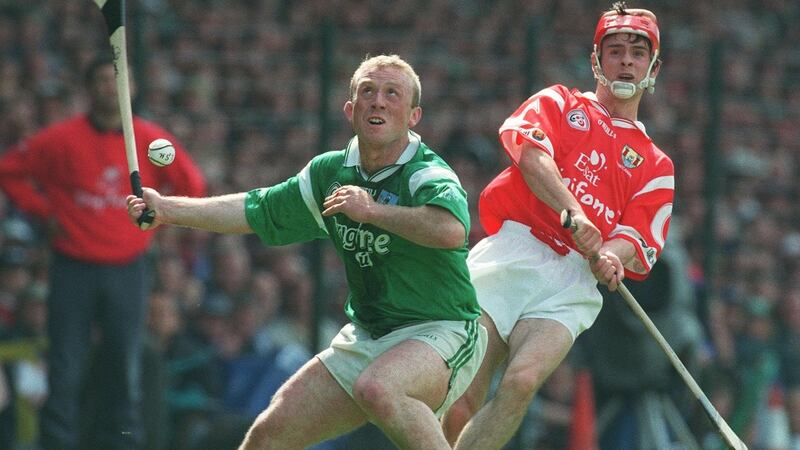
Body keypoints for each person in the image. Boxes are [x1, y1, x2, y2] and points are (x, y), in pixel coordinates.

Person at [126, 54, 487, 450]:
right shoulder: (328, 173)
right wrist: (166, 209)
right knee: (267, 436)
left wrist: (372, 212)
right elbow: (256, 209)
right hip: (369, 334)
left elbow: (451, 230)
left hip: (441, 329)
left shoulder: (427, 172)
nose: (378, 101)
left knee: (379, 387)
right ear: (351, 109)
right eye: (367, 91)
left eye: (391, 94)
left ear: (413, 115)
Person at [442, 3, 675, 449]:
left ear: (654, 67)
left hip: (572, 281)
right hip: (514, 251)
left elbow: (638, 236)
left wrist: (611, 256)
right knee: (462, 394)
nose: (626, 60)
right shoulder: (558, 101)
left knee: (522, 382)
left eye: (638, 52)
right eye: (615, 50)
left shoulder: (657, 165)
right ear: (596, 61)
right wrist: (576, 211)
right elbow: (531, 154)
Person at [0, 54, 206, 450]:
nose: (109, 89)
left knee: (125, 371)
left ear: (133, 89)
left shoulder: (151, 142)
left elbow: (193, 186)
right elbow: (10, 170)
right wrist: (45, 213)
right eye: (100, 80)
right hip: (72, 267)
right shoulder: (60, 140)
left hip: (128, 271)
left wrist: (162, 216)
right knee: (64, 370)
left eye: (118, 81)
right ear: (87, 87)